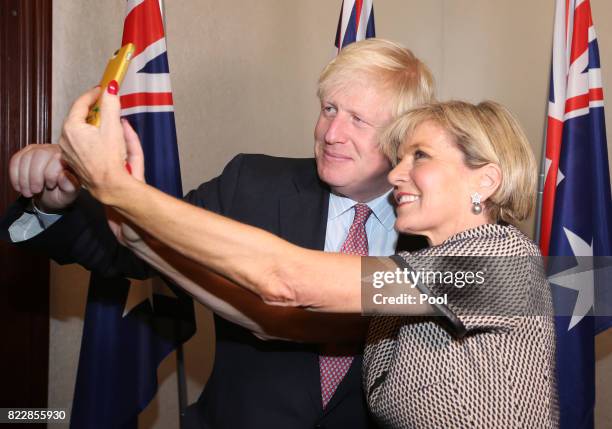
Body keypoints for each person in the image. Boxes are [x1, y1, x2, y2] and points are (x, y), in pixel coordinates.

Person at [2, 39, 433, 428]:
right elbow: (131, 251)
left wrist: (116, 184)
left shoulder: (438, 233)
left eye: (358, 119)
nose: (331, 134)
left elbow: (281, 301)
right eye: (329, 109)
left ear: (403, 138)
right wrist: (54, 203)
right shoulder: (251, 182)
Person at [58, 92, 558, 427]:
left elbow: (286, 279)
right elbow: (273, 319)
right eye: (399, 156)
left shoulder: (498, 266)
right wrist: (144, 243)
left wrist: (116, 187)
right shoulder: (418, 274)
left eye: (419, 157)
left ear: (485, 180)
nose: (397, 174)